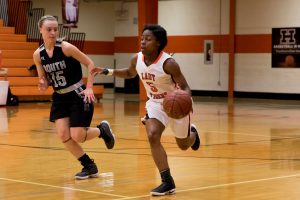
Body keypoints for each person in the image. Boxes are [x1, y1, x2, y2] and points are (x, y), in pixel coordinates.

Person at [91, 24, 200, 196]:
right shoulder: (137, 59)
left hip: (175, 103)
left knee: (183, 145)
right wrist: (107, 71)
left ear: (158, 43)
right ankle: (167, 181)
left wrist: (186, 100)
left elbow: (185, 87)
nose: (143, 42)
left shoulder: (169, 63)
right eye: (142, 38)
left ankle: (193, 136)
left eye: (148, 39)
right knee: (152, 135)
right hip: (155, 104)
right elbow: (129, 72)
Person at [33, 15, 115, 180]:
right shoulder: (38, 54)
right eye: (49, 29)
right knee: (64, 135)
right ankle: (89, 166)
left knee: (77, 135)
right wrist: (43, 83)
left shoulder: (66, 47)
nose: (53, 32)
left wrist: (90, 87)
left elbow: (91, 64)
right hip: (59, 97)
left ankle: (102, 130)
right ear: (40, 30)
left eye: (55, 29)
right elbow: (43, 77)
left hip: (77, 94)